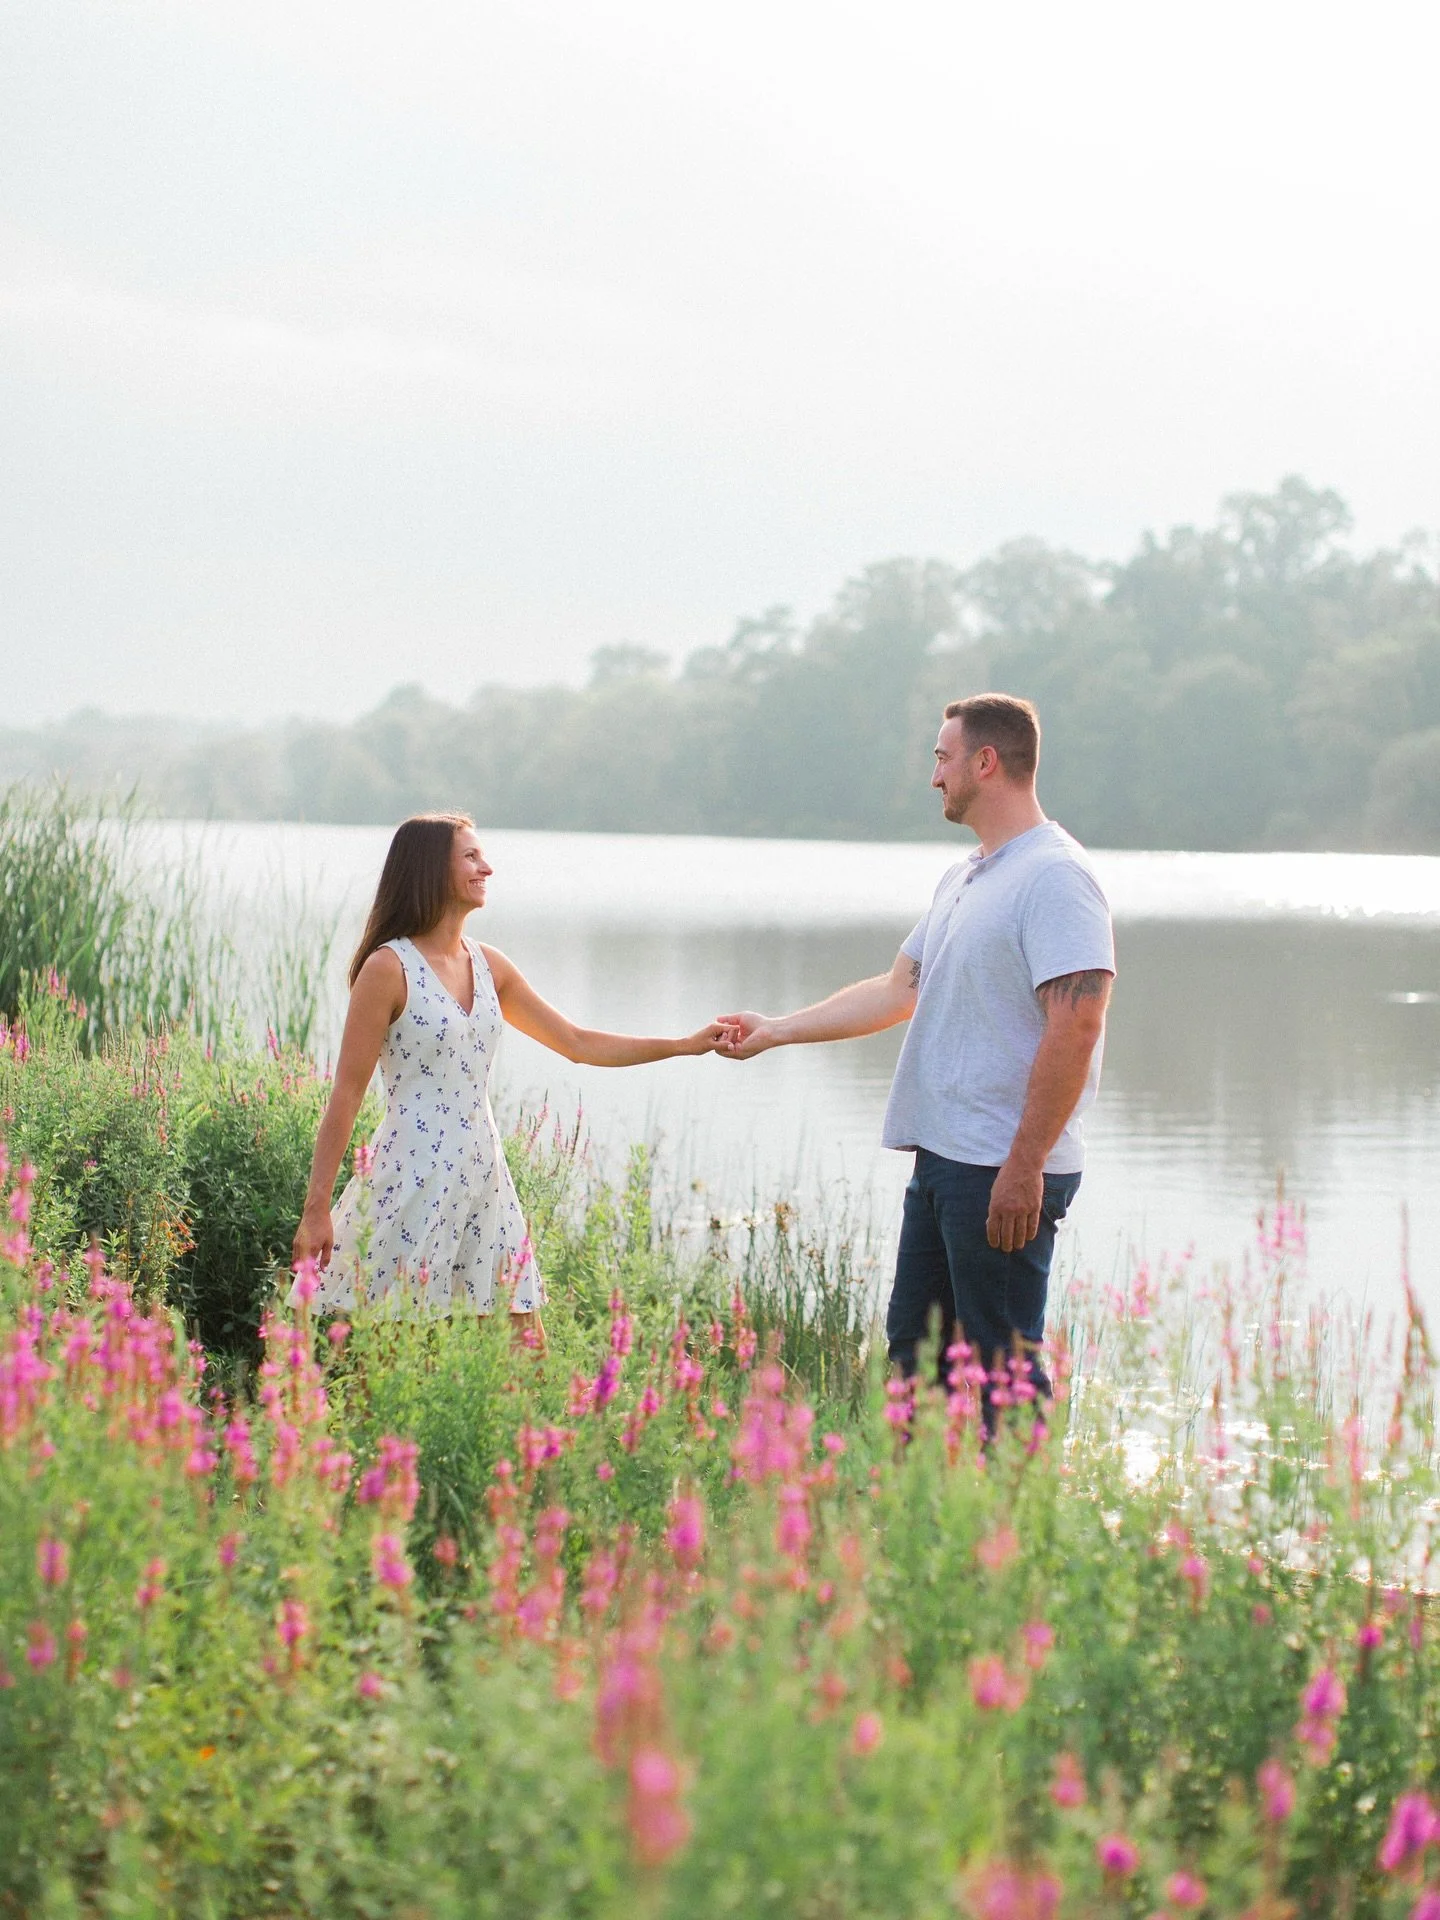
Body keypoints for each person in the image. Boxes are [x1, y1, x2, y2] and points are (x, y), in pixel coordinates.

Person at [718, 694, 1114, 1404]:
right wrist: (775, 1029)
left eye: (943, 757)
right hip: (944, 1159)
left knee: (1001, 1377)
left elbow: (1077, 1025)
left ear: (984, 762)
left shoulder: (1055, 875)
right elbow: (899, 990)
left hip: (1000, 1168)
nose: (935, 776)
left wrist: (1024, 1167)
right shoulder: (968, 876)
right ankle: (928, 1516)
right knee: (915, 1364)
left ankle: (1015, 1516)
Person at [291, 812, 729, 1327]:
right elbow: (345, 1094)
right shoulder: (387, 969)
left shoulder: (489, 965)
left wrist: (682, 1045)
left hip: (483, 1174)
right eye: (471, 857)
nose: (487, 868)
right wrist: (317, 1206)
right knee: (392, 1360)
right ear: (431, 870)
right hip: (411, 1178)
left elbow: (577, 1042)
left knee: (526, 1350)